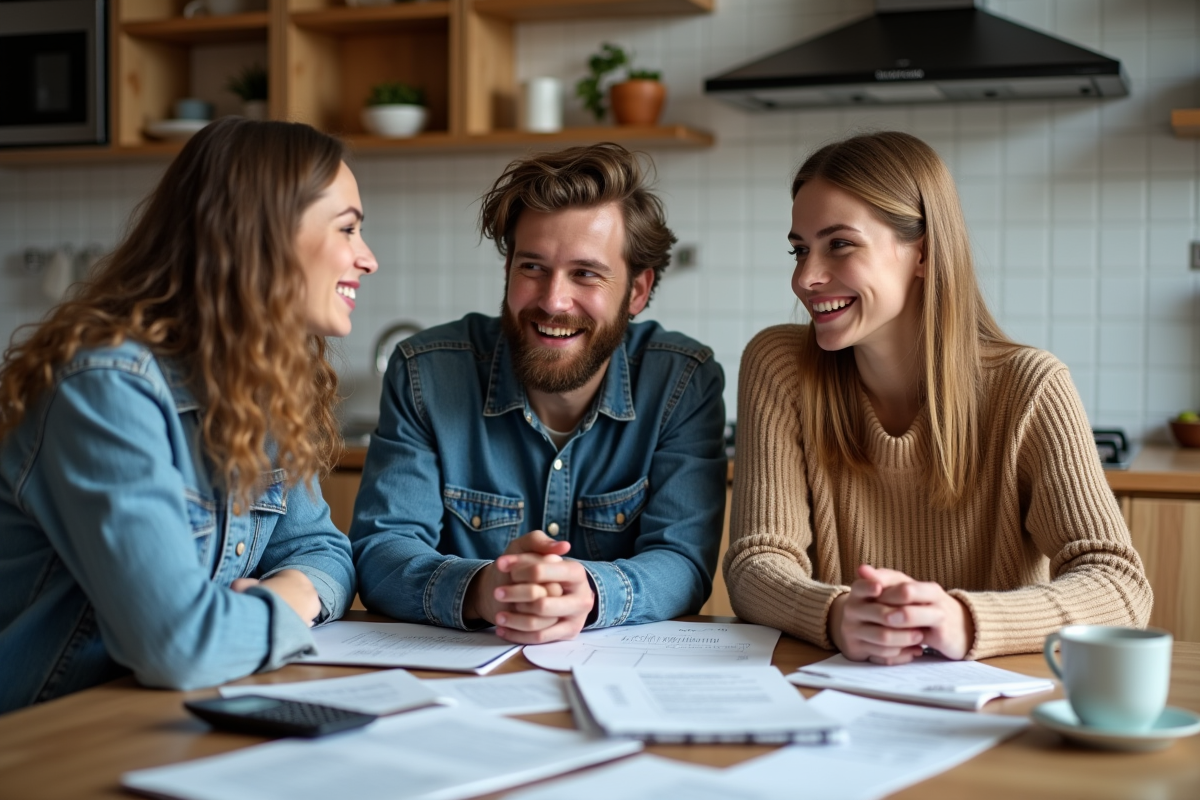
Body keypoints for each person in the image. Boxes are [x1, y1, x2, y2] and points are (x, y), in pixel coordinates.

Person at [725, 131, 1151, 664]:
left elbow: (1120, 584)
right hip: (834, 690)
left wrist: (964, 620)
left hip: (991, 706)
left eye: (839, 244)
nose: (805, 277)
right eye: (800, 249)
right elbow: (756, 561)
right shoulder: (780, 365)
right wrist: (835, 614)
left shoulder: (1030, 386)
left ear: (923, 252)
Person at [0, 117, 377, 713]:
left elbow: (326, 553)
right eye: (349, 229)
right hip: (46, 731)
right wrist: (283, 605)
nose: (367, 258)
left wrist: (276, 600)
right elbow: (178, 646)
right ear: (266, 236)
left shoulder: (258, 386)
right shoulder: (107, 389)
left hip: (158, 717)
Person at [351, 143, 727, 644]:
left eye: (586, 273)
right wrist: (485, 589)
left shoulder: (682, 380)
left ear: (637, 290)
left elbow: (682, 560)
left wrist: (589, 592)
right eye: (532, 267)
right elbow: (381, 551)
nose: (553, 300)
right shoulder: (426, 371)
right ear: (508, 270)